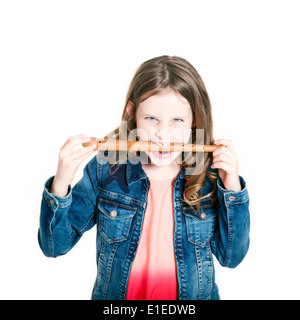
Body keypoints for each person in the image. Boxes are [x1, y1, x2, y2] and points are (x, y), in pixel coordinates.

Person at [38, 55, 250, 300]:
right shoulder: (106, 169)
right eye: (152, 119)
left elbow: (231, 258)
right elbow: (54, 246)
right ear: (132, 112)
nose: (163, 135)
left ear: (194, 120)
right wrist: (61, 183)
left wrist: (232, 188)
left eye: (177, 120)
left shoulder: (211, 176)